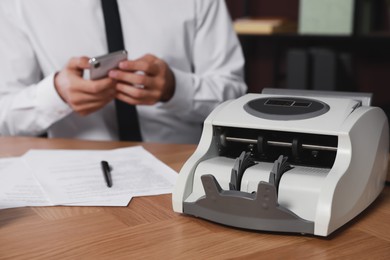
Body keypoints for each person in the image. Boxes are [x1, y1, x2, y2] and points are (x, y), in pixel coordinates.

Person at [0, 0, 247, 144]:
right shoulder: (17, 4)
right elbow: (4, 116)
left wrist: (175, 89)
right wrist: (56, 94)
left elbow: (235, 100)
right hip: (75, 175)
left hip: (181, 164)